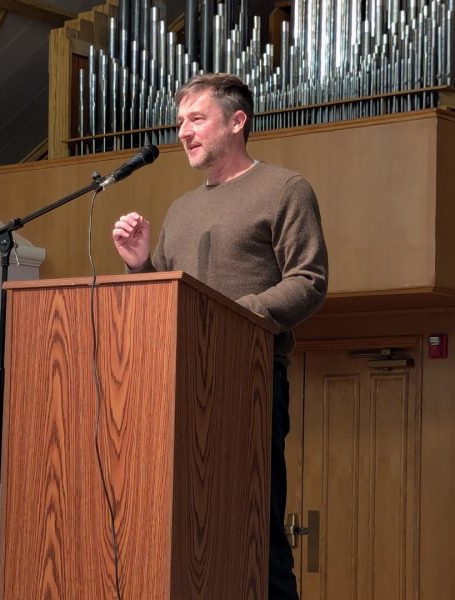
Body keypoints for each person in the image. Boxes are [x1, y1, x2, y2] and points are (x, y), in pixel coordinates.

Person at [112, 73, 328, 599]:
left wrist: (235, 316)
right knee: (184, 528)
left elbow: (309, 281)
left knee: (253, 531)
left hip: (249, 380)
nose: (183, 132)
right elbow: (167, 301)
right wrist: (142, 268)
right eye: (179, 121)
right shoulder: (181, 209)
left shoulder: (284, 188)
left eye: (196, 119)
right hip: (180, 384)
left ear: (237, 121)